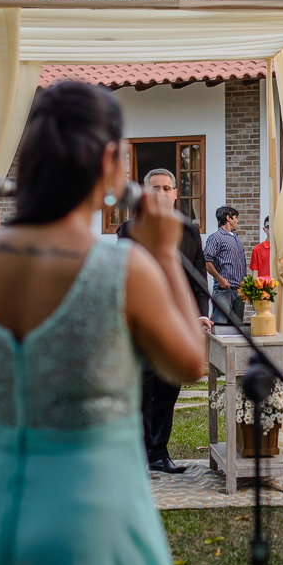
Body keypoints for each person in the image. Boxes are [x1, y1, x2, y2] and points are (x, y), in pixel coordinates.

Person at [0, 82, 204, 565]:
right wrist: (164, 254)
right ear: (109, 163)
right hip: (91, 527)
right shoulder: (121, 269)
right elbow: (188, 363)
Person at [117, 168, 210, 475]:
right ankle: (139, 454)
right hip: (141, 322)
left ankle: (159, 452)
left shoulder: (190, 231)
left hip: (177, 320)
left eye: (167, 188)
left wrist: (202, 313)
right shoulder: (129, 229)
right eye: (154, 188)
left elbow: (199, 278)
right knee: (142, 389)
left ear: (175, 194)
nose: (161, 193)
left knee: (169, 388)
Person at [204, 205, 245, 324]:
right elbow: (206, 261)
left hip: (239, 292)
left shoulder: (236, 238)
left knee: (237, 329)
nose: (237, 221)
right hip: (223, 291)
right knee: (221, 327)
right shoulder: (215, 237)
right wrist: (219, 279)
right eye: (235, 217)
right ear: (228, 218)